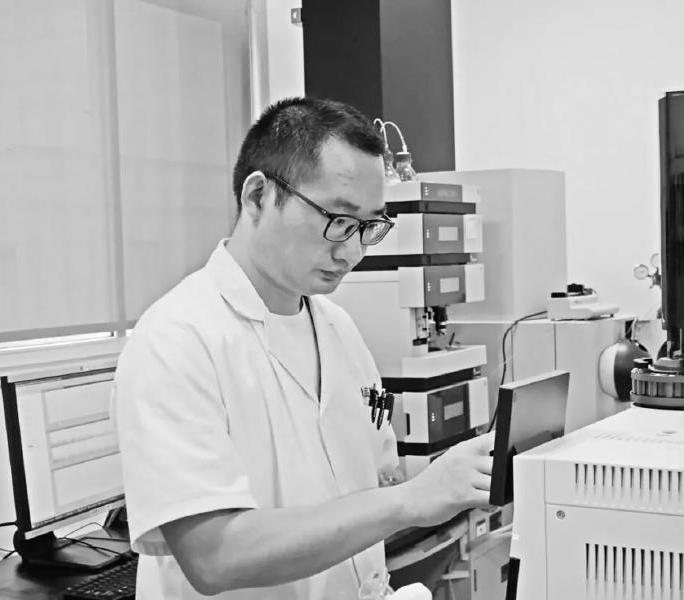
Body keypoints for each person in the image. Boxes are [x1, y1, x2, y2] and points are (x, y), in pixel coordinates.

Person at [113, 97, 494, 600]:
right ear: (257, 196)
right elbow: (214, 557)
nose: (352, 251)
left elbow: (375, 477)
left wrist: (460, 474)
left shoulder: (338, 329)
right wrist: (409, 501)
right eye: (337, 218)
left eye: (369, 227)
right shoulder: (176, 341)